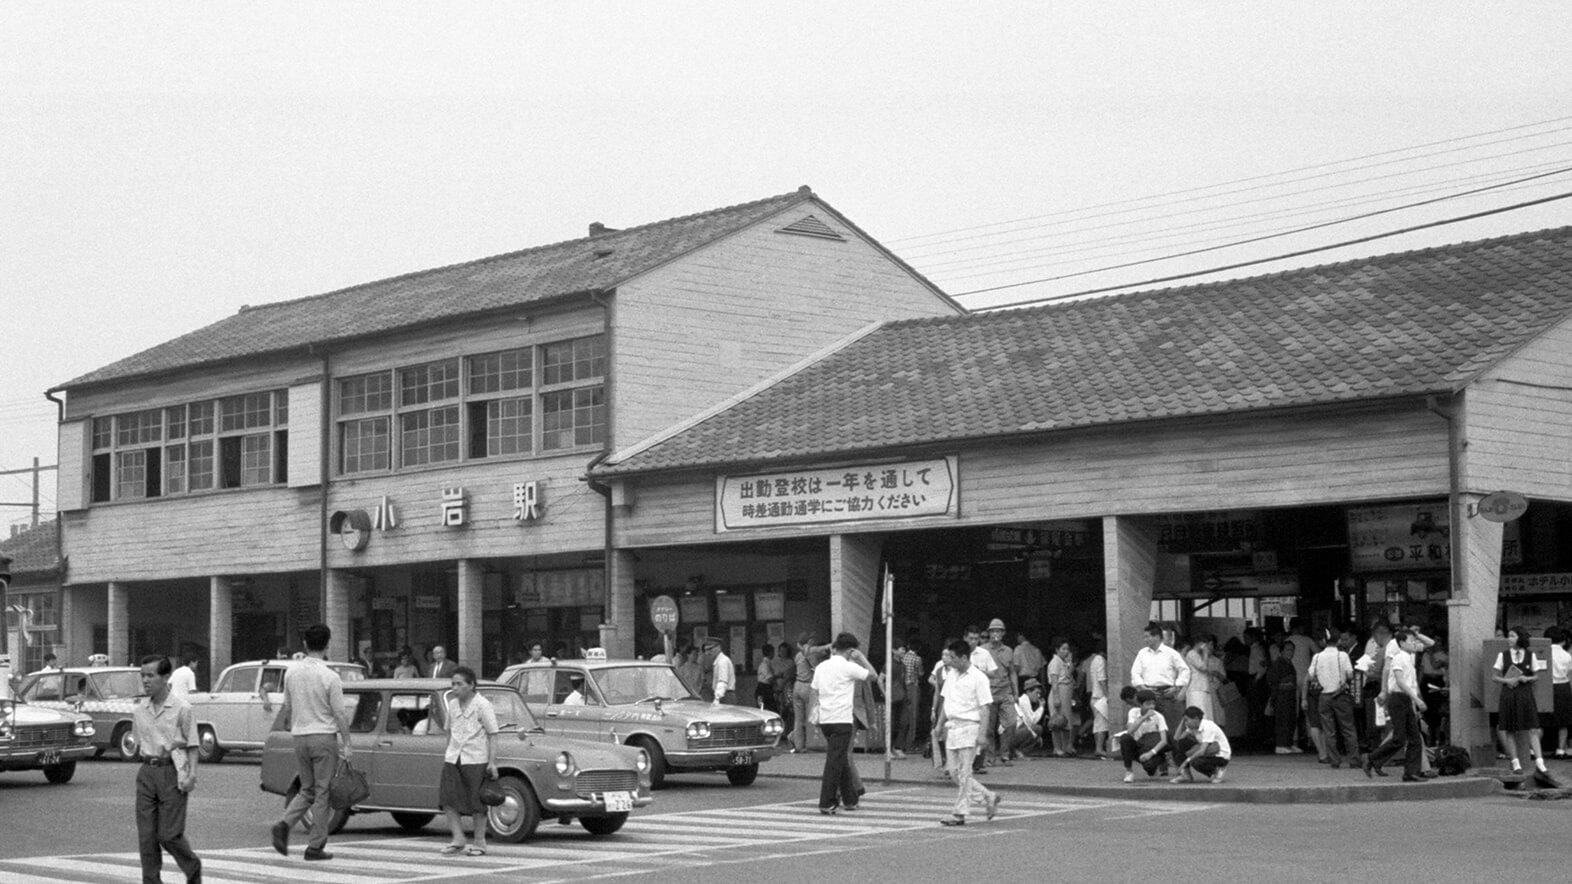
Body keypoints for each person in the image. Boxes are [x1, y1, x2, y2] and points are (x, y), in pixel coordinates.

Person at [270, 623, 352, 862]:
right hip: (323, 736)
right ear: (328, 645)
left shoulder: (292, 673)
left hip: (300, 736)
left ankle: (284, 823)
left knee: (307, 788)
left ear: (305, 644)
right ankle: (315, 846)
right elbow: (339, 714)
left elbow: (288, 706)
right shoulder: (330, 676)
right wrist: (347, 743)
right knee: (322, 792)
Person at [133, 654, 203, 884]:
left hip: (171, 772)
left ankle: (192, 868)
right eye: (143, 676)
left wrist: (191, 775)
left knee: (169, 835)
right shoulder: (140, 709)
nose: (145, 681)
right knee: (147, 838)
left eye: (150, 676)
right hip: (146, 773)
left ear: (165, 678)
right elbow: (138, 741)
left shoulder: (182, 708)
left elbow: (193, 745)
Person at [937, 639, 1001, 826]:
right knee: (953, 771)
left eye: (953, 657)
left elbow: (985, 708)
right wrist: (939, 725)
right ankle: (988, 796)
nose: (950, 661)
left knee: (965, 772)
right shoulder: (951, 675)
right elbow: (945, 702)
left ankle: (960, 813)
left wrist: (982, 734)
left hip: (970, 726)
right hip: (953, 725)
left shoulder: (979, 678)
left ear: (964, 657)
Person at [809, 632, 873, 814]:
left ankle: (850, 799)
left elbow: (814, 690)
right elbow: (873, 676)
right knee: (834, 762)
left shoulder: (821, 667)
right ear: (851, 650)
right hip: (842, 720)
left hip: (825, 719)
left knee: (841, 758)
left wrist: (814, 713)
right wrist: (861, 658)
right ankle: (826, 801)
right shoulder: (849, 667)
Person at [439, 666, 499, 856]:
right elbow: (449, 730)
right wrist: (448, 752)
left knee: (476, 802)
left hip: (475, 758)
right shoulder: (453, 704)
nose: (455, 688)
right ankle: (458, 838)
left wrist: (492, 762)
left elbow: (493, 734)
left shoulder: (482, 704)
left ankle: (480, 842)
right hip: (453, 757)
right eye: (453, 684)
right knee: (447, 799)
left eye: (459, 684)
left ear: (471, 685)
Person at [1365, 629, 1426, 781]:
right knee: (1400, 738)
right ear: (1402, 643)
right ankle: (1372, 758)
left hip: (1405, 699)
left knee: (1414, 739)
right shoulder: (1398, 658)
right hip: (1398, 699)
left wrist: (1415, 697)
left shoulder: (1409, 658)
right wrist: (1416, 699)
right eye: (1411, 641)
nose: (1414, 644)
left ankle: (1411, 772)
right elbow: (1400, 681)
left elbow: (1429, 644)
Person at [1493, 626, 1549, 778]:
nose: (1509, 639)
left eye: (1512, 636)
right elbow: (1495, 676)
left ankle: (1539, 761)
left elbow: (1536, 675)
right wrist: (1507, 680)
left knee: (1532, 727)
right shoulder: (1502, 655)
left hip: (1525, 693)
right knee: (1510, 728)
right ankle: (1515, 762)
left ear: (1520, 638)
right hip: (1509, 693)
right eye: (1509, 636)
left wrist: (1528, 678)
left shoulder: (1530, 655)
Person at [1129, 621, 1189, 751]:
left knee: (1172, 727)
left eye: (1148, 637)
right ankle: (1159, 762)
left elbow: (1185, 670)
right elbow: (1135, 673)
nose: (1145, 640)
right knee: (1152, 729)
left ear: (1157, 637)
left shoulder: (1171, 653)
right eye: (1144, 637)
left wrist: (1177, 687)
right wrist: (1142, 687)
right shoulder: (1142, 653)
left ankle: (1175, 759)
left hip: (1167, 692)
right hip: (1148, 692)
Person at [1308, 627, 1358, 768]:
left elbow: (1311, 676)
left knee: (1329, 730)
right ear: (1338, 641)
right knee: (1348, 728)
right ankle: (1354, 759)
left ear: (1324, 640)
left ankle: (1334, 760)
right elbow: (1350, 674)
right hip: (1340, 694)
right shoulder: (1342, 656)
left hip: (1324, 696)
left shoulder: (1317, 657)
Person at [979, 619, 1017, 766]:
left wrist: (1016, 692)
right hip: (988, 693)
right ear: (989, 633)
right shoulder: (982, 650)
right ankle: (989, 756)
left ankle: (1005, 753)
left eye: (999, 631)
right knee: (988, 726)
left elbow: (1012, 672)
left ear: (1003, 633)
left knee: (1011, 723)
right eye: (993, 631)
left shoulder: (1008, 650)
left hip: (1006, 690)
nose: (996, 633)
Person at [1119, 688, 1171, 783]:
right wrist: (1144, 717)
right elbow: (1130, 731)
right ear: (1140, 704)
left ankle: (1159, 763)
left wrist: (1150, 753)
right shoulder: (1133, 712)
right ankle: (1129, 771)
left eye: (1153, 704)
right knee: (1125, 738)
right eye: (1148, 704)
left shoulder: (1159, 717)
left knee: (1150, 768)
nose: (1151, 707)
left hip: (1152, 748)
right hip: (1138, 746)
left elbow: (1164, 740)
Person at [791, 632, 832, 752]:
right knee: (812, 716)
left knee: (798, 719)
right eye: (812, 640)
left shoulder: (798, 656)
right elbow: (821, 651)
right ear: (808, 642)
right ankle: (812, 744)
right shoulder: (813, 653)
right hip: (808, 686)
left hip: (797, 685)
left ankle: (798, 745)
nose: (814, 641)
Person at [1170, 705, 1231, 784]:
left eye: (1187, 720)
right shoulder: (1193, 727)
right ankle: (1186, 775)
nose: (1186, 723)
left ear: (1195, 719)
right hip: (1207, 752)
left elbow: (1202, 751)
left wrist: (1185, 762)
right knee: (1179, 744)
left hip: (1219, 755)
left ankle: (1218, 771)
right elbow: (1177, 739)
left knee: (1196, 762)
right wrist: (1182, 721)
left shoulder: (1208, 726)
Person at [1183, 634, 1226, 729]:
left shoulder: (1197, 655)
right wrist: (1205, 653)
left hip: (1203, 688)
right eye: (1206, 644)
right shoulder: (1192, 654)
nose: (1207, 647)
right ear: (1200, 643)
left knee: (1206, 714)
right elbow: (1203, 667)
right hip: (1196, 687)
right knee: (1199, 713)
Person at [1265, 640, 1301, 754]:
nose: (1291, 652)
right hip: (1282, 695)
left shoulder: (1289, 663)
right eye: (1288, 650)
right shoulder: (1278, 664)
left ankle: (1288, 743)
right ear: (1281, 651)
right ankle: (1281, 744)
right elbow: (1272, 681)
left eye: (1292, 650)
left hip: (1290, 695)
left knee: (1291, 718)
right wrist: (1273, 697)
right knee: (1283, 719)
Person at [1044, 637, 1077, 757]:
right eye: (1063, 649)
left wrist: (1070, 664)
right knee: (1057, 721)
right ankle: (1057, 748)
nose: (1066, 651)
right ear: (1057, 649)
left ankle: (1066, 746)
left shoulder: (1063, 662)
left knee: (1066, 720)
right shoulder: (1055, 663)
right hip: (1058, 692)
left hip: (1067, 693)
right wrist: (1056, 697)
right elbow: (1054, 681)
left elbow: (1068, 675)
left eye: (1067, 649)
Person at [1006, 678, 1046, 757]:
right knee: (1037, 729)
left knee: (1034, 731)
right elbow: (1032, 721)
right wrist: (1041, 707)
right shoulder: (1024, 701)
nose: (1038, 696)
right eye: (1036, 693)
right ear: (1028, 692)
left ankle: (1015, 750)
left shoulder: (1025, 701)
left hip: (1011, 734)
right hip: (1010, 735)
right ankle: (1019, 751)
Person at [1085, 641, 1110, 758]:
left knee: (1097, 723)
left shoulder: (1094, 660)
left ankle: (1098, 747)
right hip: (1100, 696)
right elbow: (1101, 679)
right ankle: (1099, 748)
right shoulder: (1100, 660)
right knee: (1101, 724)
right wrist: (1107, 695)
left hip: (1095, 696)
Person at [1551, 627, 1572, 759]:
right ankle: (1560, 750)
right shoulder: (1567, 655)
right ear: (1563, 641)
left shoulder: (1542, 652)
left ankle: (1532, 750)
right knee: (1563, 721)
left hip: (1546, 687)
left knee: (1540, 720)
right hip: (1563, 687)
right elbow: (1570, 675)